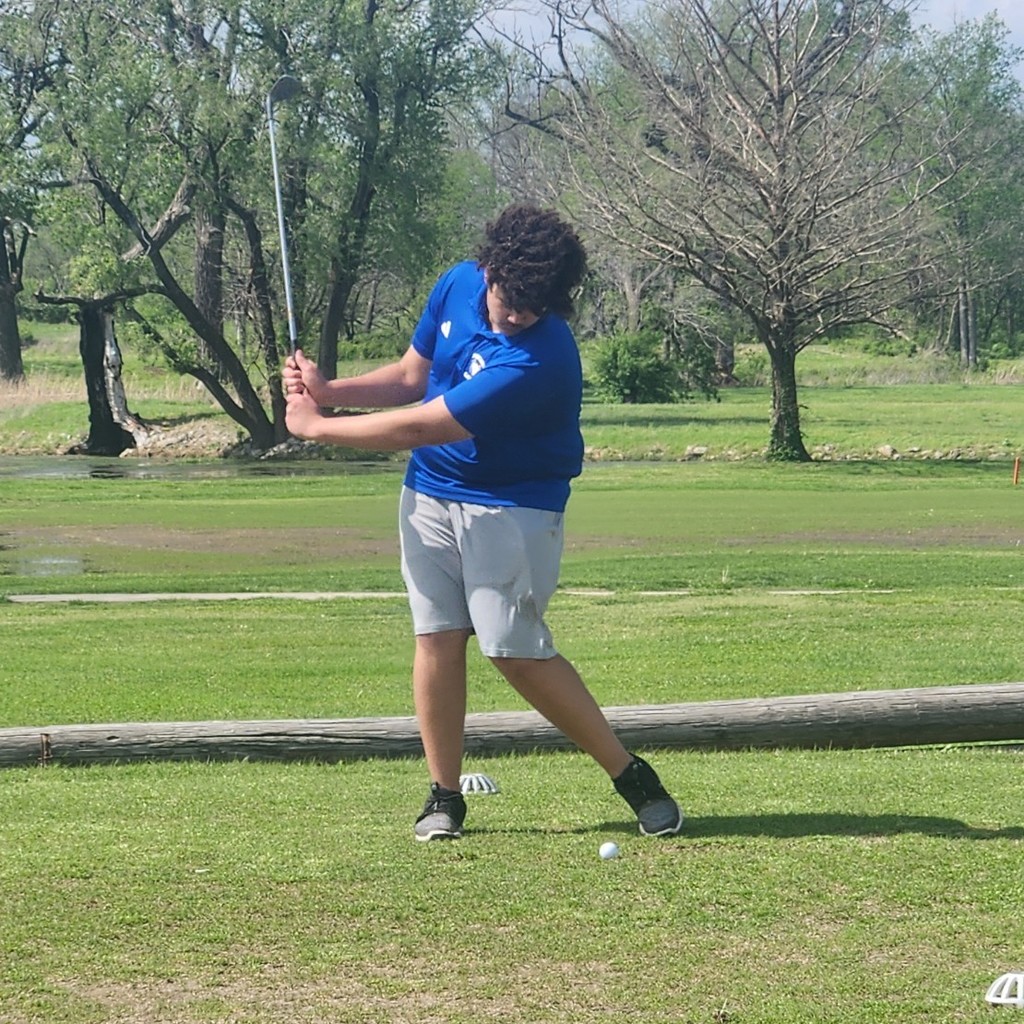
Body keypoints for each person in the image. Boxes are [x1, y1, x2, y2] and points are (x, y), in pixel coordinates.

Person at [283, 203, 684, 842]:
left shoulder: (540, 357)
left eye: (536, 305)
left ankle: (629, 773)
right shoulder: (459, 282)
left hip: (513, 504)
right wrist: (332, 391)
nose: (517, 314)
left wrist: (318, 428)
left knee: (512, 649)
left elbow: (428, 421)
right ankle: (444, 797)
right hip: (429, 494)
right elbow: (413, 378)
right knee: (437, 636)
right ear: (488, 269)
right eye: (511, 298)